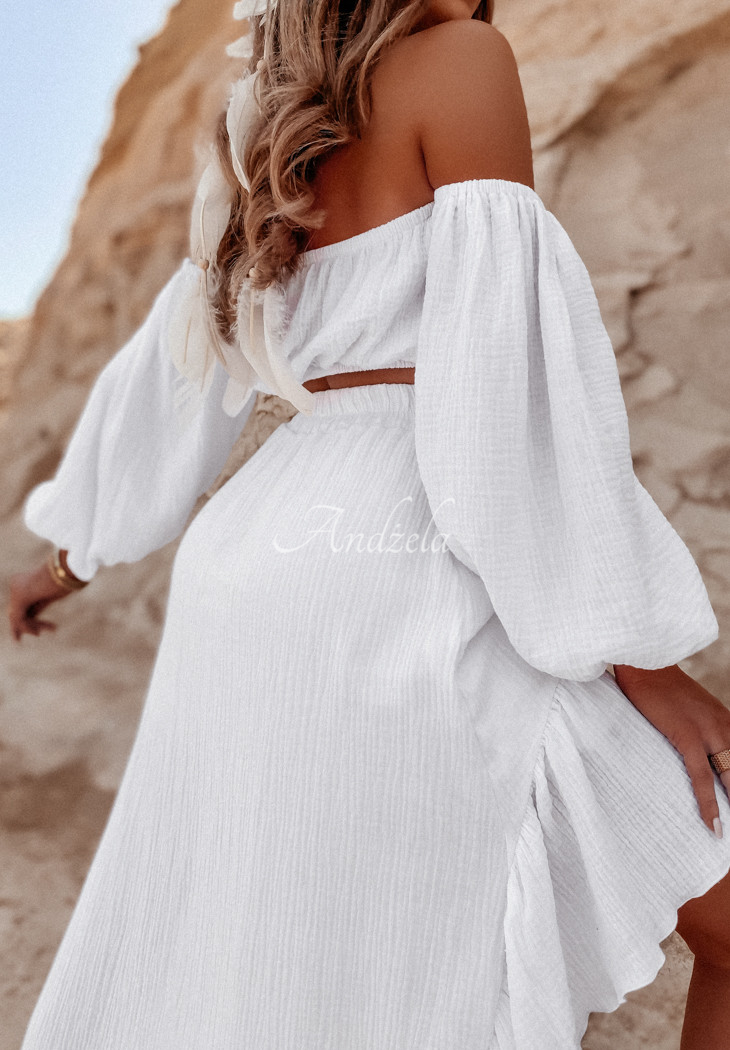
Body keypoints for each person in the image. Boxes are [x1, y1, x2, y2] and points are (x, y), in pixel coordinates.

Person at [7, 0, 730, 1046]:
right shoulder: (463, 58)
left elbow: (178, 378)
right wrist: (638, 661)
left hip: (259, 554)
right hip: (414, 555)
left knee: (300, 937)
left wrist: (69, 559)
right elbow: (497, 395)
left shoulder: (260, 127)